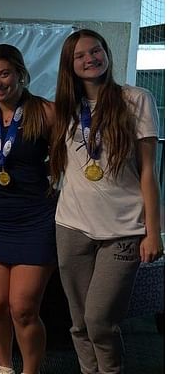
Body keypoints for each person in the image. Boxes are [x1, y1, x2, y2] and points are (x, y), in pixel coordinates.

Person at [50, 29, 163, 374]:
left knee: (100, 320)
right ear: (70, 65)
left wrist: (154, 232)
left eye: (95, 51)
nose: (90, 59)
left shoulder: (136, 99)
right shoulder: (65, 108)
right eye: (80, 55)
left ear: (106, 54)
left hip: (123, 228)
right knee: (79, 321)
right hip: (72, 226)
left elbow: (148, 171)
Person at [0, 44, 57, 374]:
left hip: (34, 219)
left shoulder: (46, 112)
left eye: (4, 74)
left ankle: (31, 371)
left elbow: (71, 159)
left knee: (22, 308)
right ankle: (4, 367)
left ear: (21, 73)